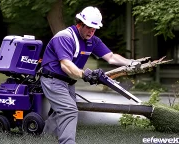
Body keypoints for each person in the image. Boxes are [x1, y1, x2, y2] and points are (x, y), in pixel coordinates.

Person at [40, 6, 140, 144]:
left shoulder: (92, 40)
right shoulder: (65, 37)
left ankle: (45, 139)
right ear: (80, 24)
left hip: (68, 82)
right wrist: (85, 74)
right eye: (89, 28)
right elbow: (65, 65)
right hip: (53, 80)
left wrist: (131, 63)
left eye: (94, 29)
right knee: (69, 110)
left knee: (59, 111)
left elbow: (111, 57)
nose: (92, 31)